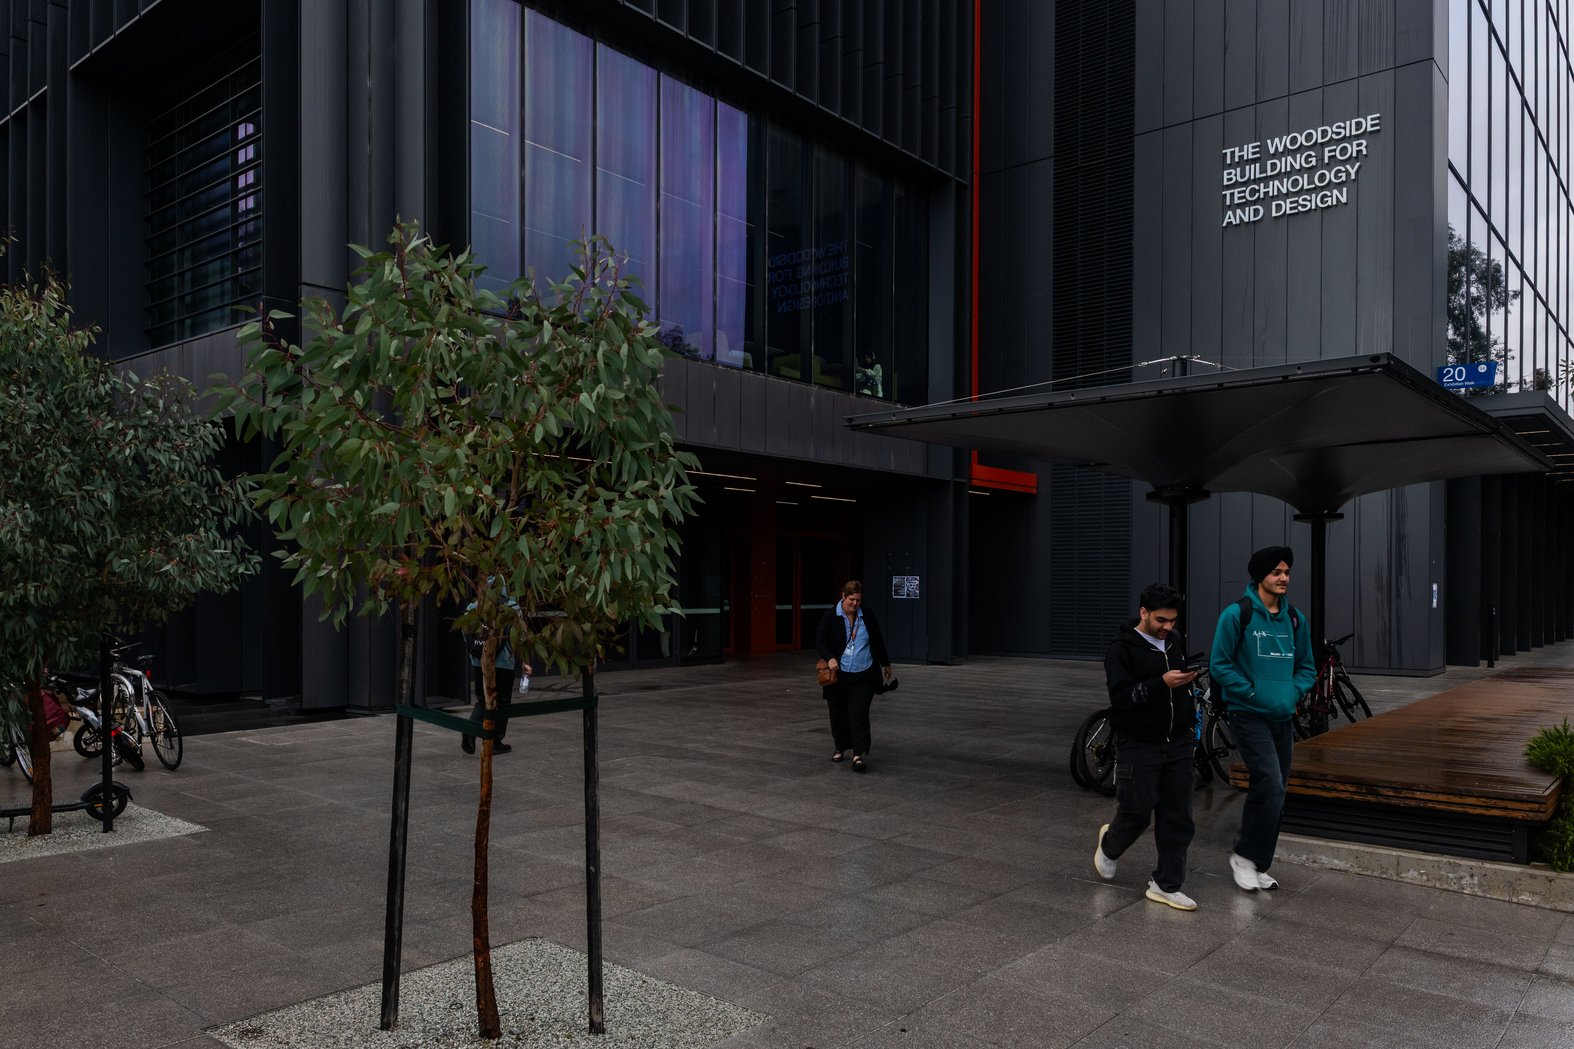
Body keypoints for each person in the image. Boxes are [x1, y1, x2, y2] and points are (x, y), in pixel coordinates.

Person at [1208, 545, 1316, 892]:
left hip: (1281, 716)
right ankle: (1243, 856)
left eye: (1287, 572)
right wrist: (1252, 693)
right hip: (1248, 712)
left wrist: (1291, 693)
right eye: (1276, 572)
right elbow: (1220, 665)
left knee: (1276, 790)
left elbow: (1306, 667)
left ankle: (1257, 862)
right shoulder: (1236, 615)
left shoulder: (1295, 619)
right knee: (1269, 782)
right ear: (1260, 576)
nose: (1284, 578)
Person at [1093, 583, 1201, 911]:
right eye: (1161, 620)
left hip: (1178, 742)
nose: (1168, 627)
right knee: (1137, 813)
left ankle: (1167, 884)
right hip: (1138, 744)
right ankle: (1111, 845)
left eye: (1173, 620)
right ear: (1143, 613)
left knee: (1178, 816)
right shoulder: (1121, 649)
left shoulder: (1176, 641)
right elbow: (1122, 699)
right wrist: (1161, 683)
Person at [815, 580, 893, 772]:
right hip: (839, 675)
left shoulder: (867, 615)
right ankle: (840, 747)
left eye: (858, 600)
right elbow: (820, 642)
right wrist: (830, 658)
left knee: (858, 714)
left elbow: (877, 639)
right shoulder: (831, 616)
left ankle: (858, 754)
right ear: (843, 596)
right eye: (851, 599)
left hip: (863, 673)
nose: (855, 604)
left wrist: (885, 663)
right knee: (838, 713)